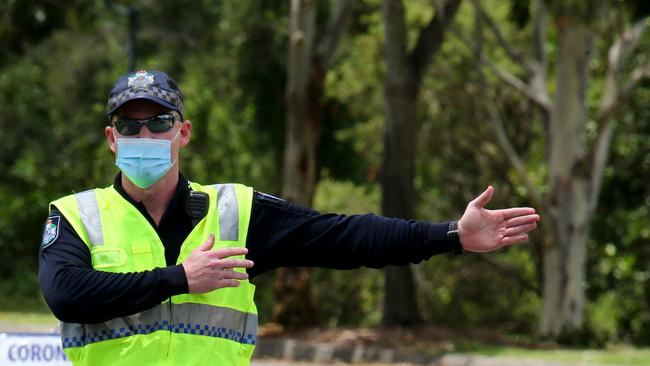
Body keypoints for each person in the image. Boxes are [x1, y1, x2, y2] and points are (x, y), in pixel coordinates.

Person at [39, 70, 540, 366]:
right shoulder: (76, 216)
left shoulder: (235, 211)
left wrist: (451, 235)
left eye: (160, 123)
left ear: (184, 132)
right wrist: (180, 279)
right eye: (130, 125)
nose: (144, 136)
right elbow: (66, 295)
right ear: (111, 138)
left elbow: (343, 237)